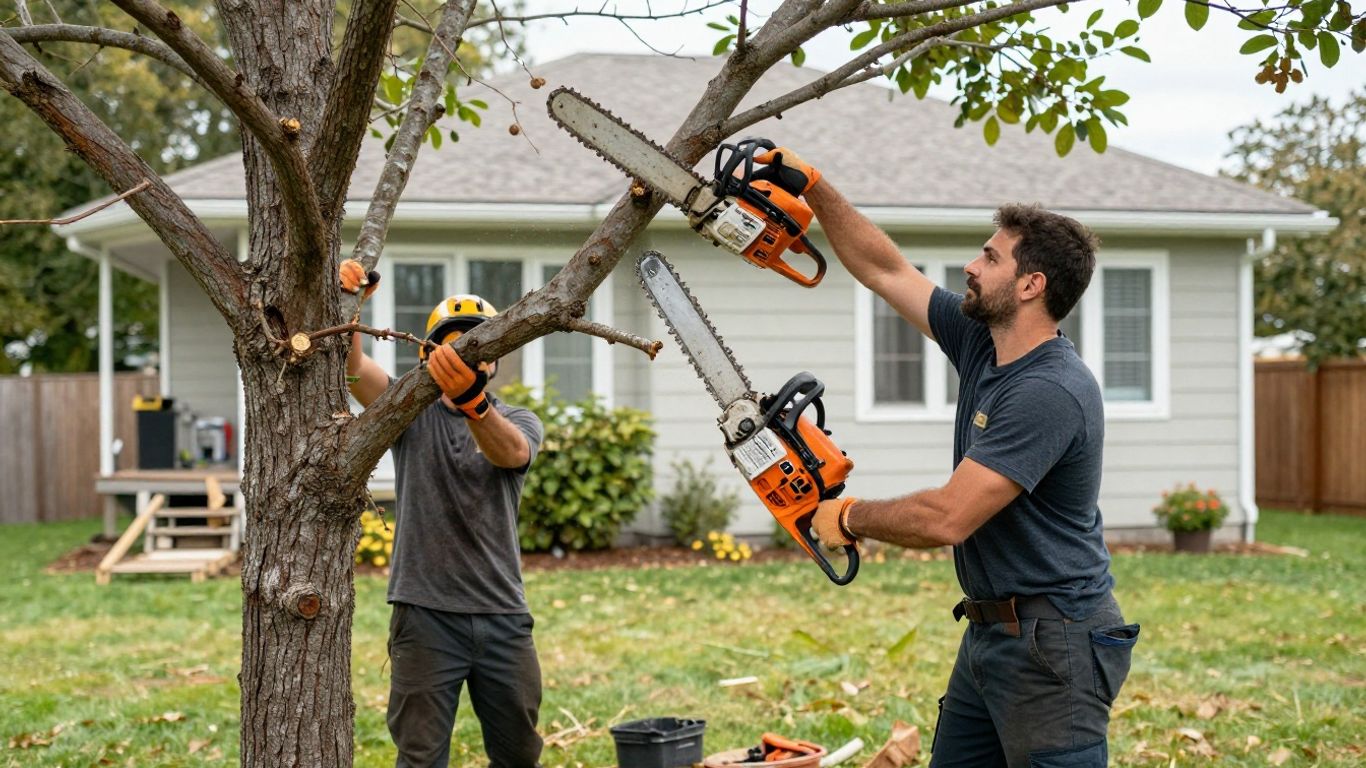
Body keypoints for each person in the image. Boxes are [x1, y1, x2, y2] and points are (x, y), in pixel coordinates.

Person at [749, 150, 1140, 767]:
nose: (971, 266)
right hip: (991, 631)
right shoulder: (985, 343)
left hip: (1055, 640)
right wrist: (816, 188)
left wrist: (846, 516)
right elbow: (885, 269)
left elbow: (947, 517)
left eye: (990, 257)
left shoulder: (1050, 390)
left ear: (1031, 285)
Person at [340, 260, 545, 768]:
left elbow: (511, 454)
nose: (466, 351)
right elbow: (354, 372)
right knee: (420, 758)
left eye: (478, 342)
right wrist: (349, 306)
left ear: (497, 355)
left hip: (503, 616)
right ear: (428, 354)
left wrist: (472, 402)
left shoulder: (518, 420)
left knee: (519, 754)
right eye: (452, 342)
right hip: (425, 615)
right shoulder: (407, 413)